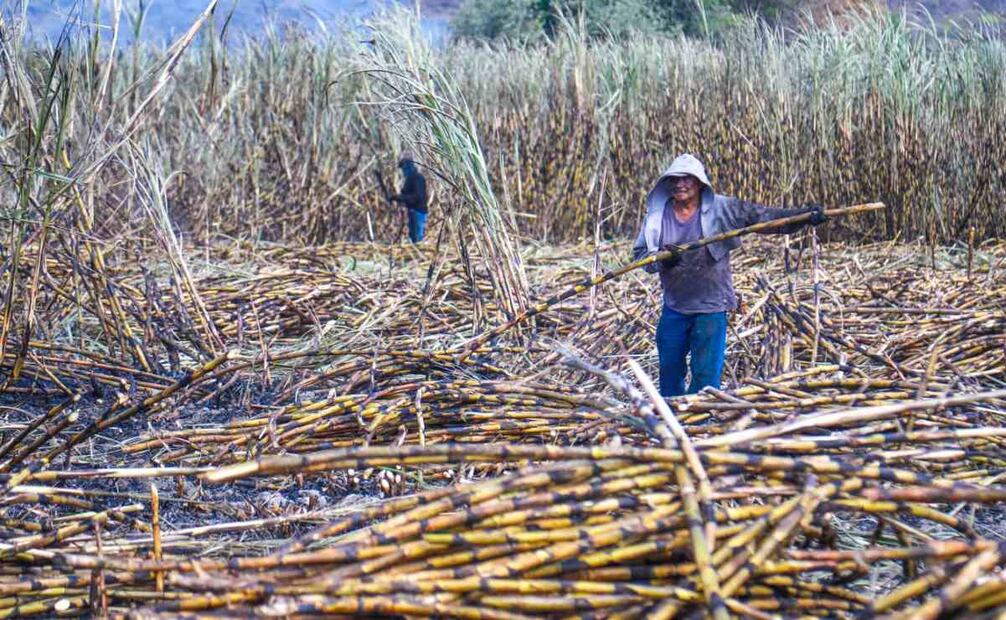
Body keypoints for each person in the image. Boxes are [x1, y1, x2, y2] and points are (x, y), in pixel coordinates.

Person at [632, 153, 827, 397]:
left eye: (687, 179)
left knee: (706, 375)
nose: (680, 184)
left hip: (712, 305)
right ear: (667, 183)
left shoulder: (722, 209)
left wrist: (804, 216)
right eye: (675, 179)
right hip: (675, 306)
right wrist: (663, 260)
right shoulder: (656, 218)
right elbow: (640, 256)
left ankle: (701, 419)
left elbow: (765, 218)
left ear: (699, 182)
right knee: (669, 371)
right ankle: (671, 417)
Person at [390, 151, 428, 243]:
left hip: (418, 211)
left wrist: (400, 198)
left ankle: (419, 255)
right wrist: (396, 198)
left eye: (404, 167)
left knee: (417, 238)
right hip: (413, 211)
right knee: (414, 236)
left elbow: (417, 197)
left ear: (409, 166)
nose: (403, 170)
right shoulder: (411, 179)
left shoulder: (417, 178)